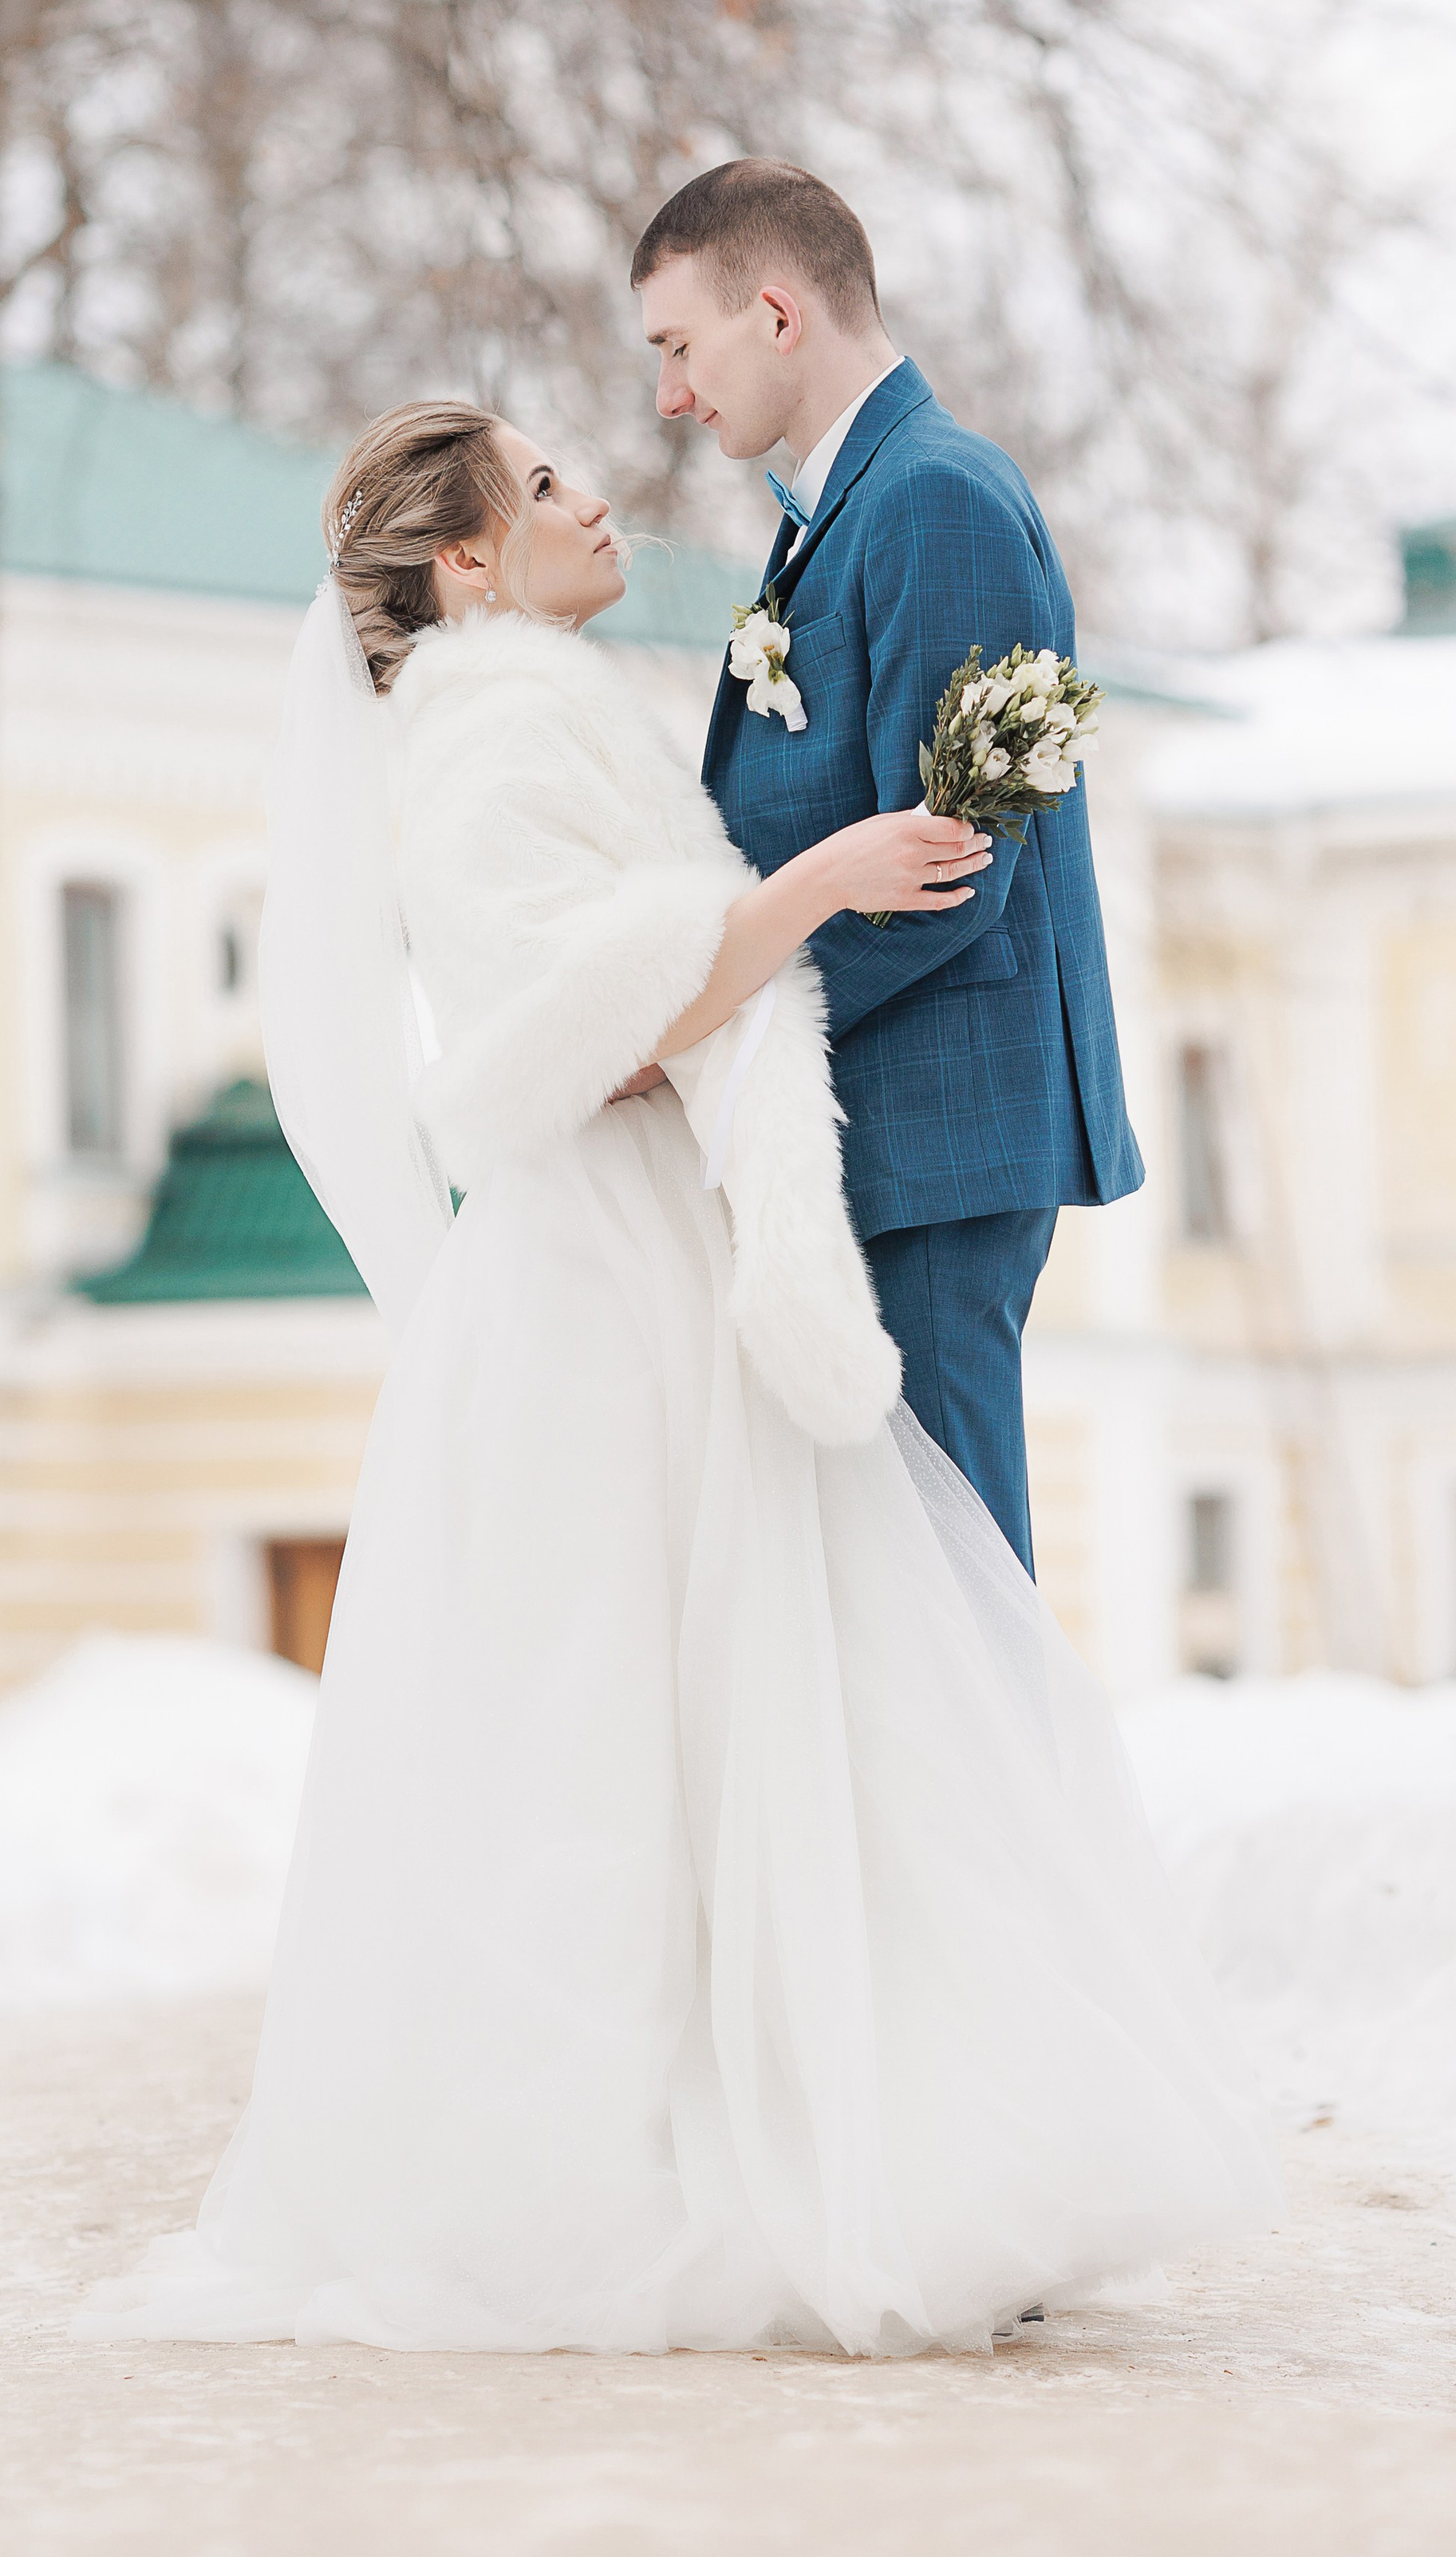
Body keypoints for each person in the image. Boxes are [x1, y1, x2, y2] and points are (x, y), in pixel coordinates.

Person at [74, 401, 1278, 2360]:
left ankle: (820, 2109)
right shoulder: (477, 743)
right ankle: (634, 2169)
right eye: (543, 486)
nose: (595, 491)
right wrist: (821, 890)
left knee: (745, 1702)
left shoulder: (535, 710)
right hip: (589, 1291)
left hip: (658, 1260)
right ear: (463, 563)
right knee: (619, 1728)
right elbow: (585, 1031)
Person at [632, 161, 1142, 1580]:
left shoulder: (932, 500)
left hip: (932, 1136)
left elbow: (948, 871)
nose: (671, 393)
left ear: (777, 312)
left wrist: (721, 1022)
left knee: (952, 1591)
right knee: (890, 1601)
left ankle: (1016, 1816)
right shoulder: (842, 508)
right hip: (876, 1131)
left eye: (679, 345)